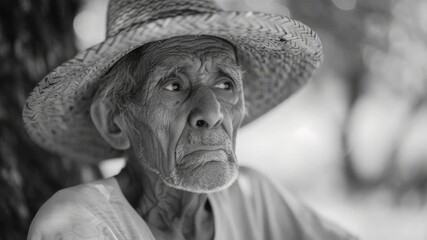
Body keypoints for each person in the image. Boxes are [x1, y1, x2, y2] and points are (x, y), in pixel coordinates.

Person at [24, 0, 356, 239]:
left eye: (225, 84)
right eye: (173, 85)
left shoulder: (254, 198)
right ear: (114, 120)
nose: (211, 112)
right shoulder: (78, 223)